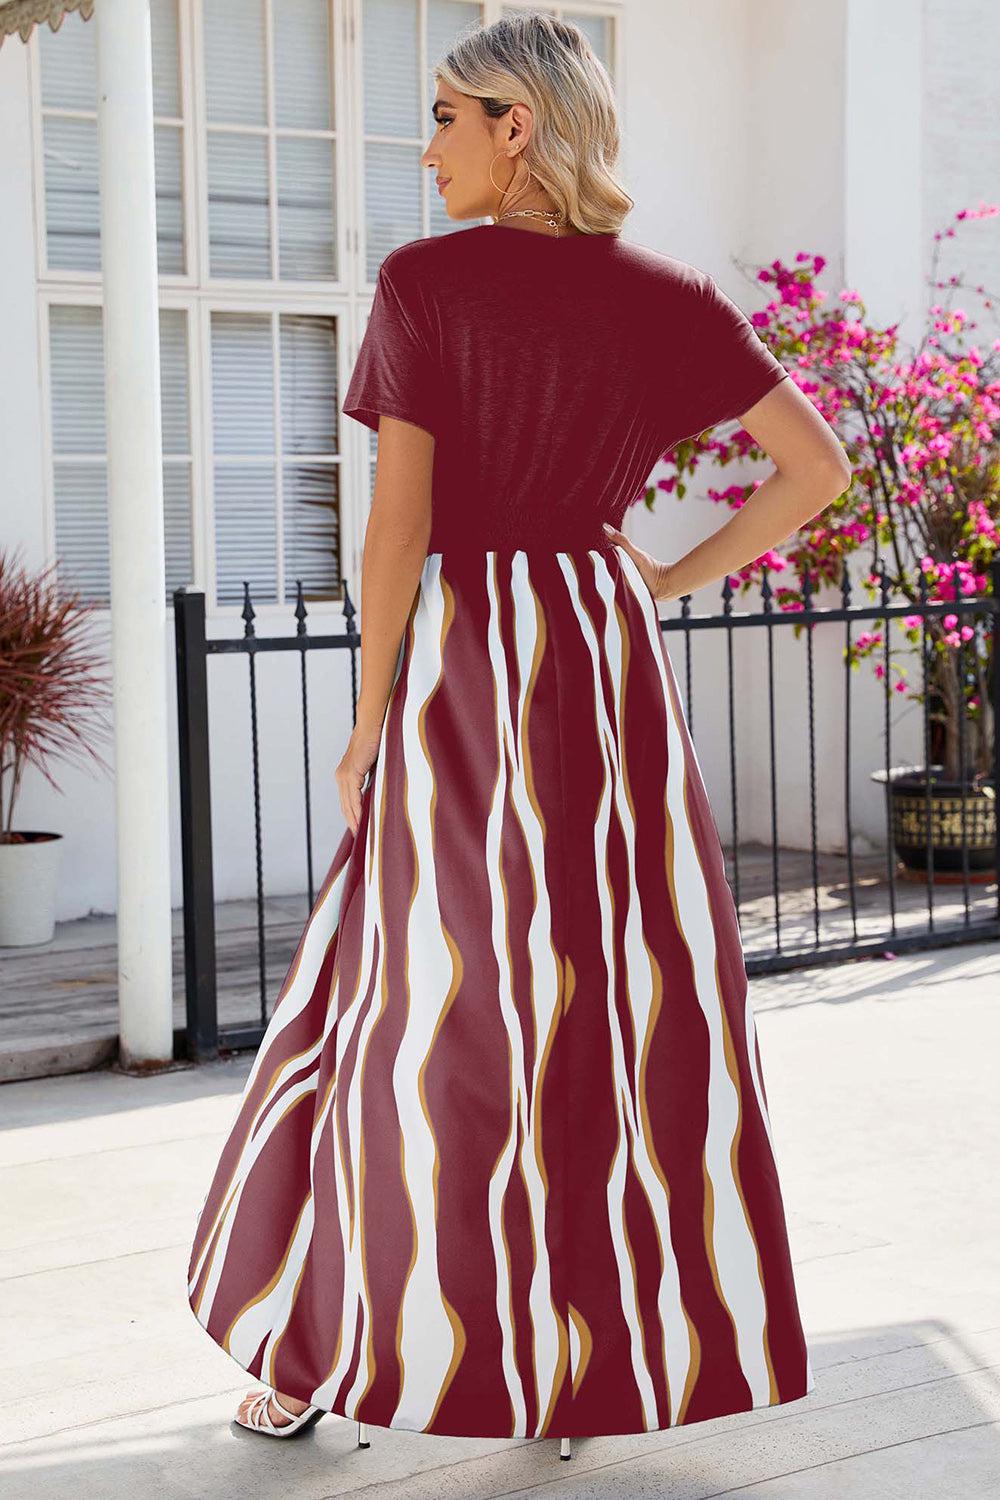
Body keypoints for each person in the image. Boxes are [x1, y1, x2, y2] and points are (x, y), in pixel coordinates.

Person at [187, 11, 850, 1454]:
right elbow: (820, 469)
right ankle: (569, 1364)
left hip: (474, 657)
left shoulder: (426, 285)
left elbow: (399, 526)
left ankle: (318, 1357)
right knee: (605, 1004)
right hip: (607, 659)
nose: (424, 147)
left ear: (520, 128)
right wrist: (657, 579)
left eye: (446, 115)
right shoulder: (668, 298)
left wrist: (366, 718)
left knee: (407, 1004)